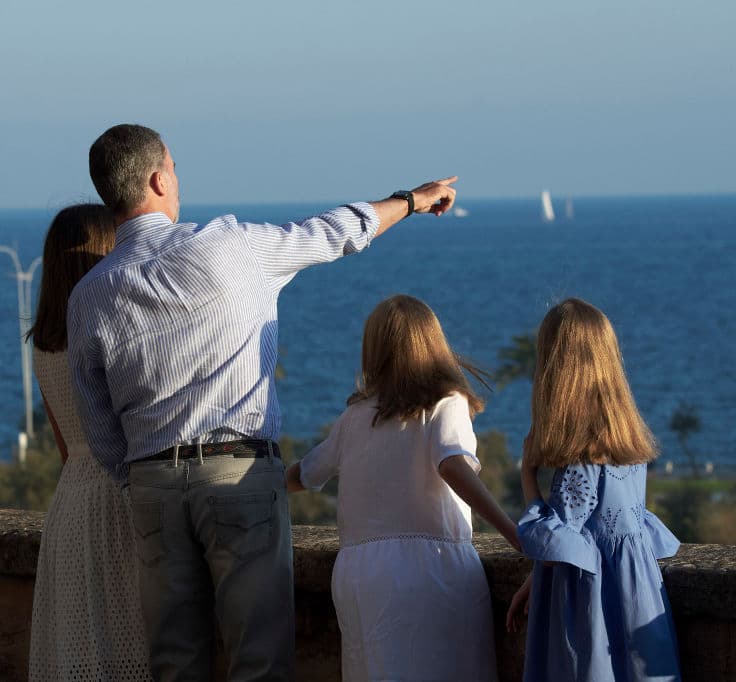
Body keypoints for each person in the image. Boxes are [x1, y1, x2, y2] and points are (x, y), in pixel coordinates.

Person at [66, 123, 458, 681]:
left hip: (150, 483)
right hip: (237, 475)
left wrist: (142, 479)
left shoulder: (89, 296)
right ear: (157, 178)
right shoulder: (228, 246)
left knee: (175, 665)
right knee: (260, 660)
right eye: (174, 167)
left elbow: (98, 422)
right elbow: (331, 233)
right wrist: (411, 201)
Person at [284, 294, 521, 681]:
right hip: (430, 569)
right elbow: (452, 464)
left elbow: (303, 475)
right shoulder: (446, 403)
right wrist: (513, 532)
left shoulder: (354, 417)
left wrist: (244, 487)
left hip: (358, 575)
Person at [505, 298, 682, 682]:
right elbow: (595, 532)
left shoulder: (581, 462)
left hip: (591, 615)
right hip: (637, 605)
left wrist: (528, 476)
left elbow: (558, 548)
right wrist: (534, 579)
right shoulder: (628, 449)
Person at [26, 204, 151, 682]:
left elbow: (64, 445)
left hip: (70, 506)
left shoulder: (43, 344)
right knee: (132, 646)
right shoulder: (109, 330)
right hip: (120, 495)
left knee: (82, 650)